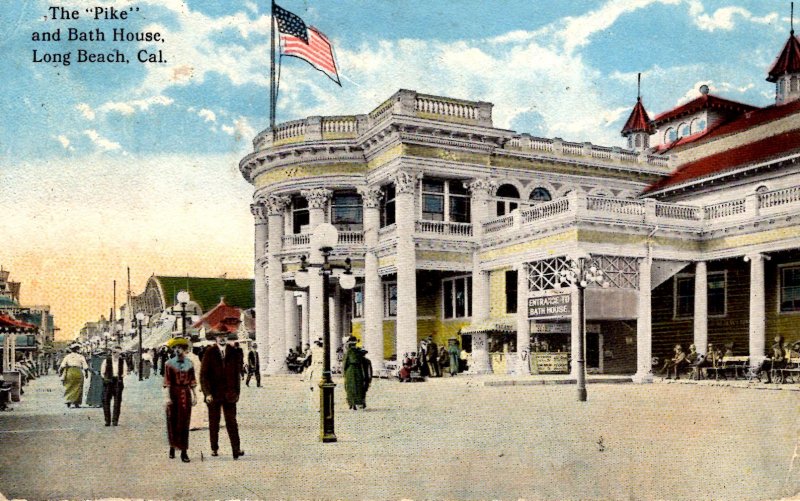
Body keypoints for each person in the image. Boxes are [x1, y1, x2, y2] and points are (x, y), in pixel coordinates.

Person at [200, 328, 245, 460]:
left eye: (224, 336)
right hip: (213, 395)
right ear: (216, 338)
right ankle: (214, 447)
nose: (222, 338)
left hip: (230, 394)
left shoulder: (233, 352)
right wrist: (207, 393)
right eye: (219, 336)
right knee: (214, 422)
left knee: (232, 422)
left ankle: (236, 449)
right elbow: (204, 376)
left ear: (227, 337)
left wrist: (237, 393)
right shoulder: (209, 352)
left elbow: (237, 375)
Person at [163, 337, 197, 463]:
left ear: (184, 349)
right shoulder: (169, 364)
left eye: (180, 348)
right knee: (172, 420)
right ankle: (172, 446)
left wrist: (195, 395)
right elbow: (167, 382)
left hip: (185, 393)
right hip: (173, 393)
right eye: (176, 348)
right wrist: (166, 397)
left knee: (184, 422)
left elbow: (192, 380)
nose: (178, 350)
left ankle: (184, 451)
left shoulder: (189, 363)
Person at [100, 344, 128, 426]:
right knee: (106, 401)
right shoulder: (106, 361)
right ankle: (107, 421)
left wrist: (120, 377)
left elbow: (125, 371)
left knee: (117, 402)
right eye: (115, 352)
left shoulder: (122, 361)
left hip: (118, 382)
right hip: (108, 381)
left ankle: (115, 420)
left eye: (118, 353)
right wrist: (106, 379)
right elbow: (102, 372)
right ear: (112, 353)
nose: (116, 354)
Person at [59, 343, 89, 408]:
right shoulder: (81, 357)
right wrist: (86, 374)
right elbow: (85, 366)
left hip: (69, 372)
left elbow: (62, 366)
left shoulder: (67, 356)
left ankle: (68, 400)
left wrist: (60, 373)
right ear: (77, 349)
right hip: (78, 372)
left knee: (69, 386)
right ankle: (76, 402)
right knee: (78, 387)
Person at [343, 339, 366, 410]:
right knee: (358, 386)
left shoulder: (348, 352)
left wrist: (343, 372)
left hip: (350, 370)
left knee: (350, 387)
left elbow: (345, 363)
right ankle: (359, 402)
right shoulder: (359, 352)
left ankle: (352, 403)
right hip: (359, 370)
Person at [305, 339, 324, 411]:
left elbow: (307, 359)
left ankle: (318, 406)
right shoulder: (315, 349)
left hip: (317, 368)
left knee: (316, 388)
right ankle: (319, 406)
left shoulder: (314, 349)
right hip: (319, 368)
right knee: (317, 388)